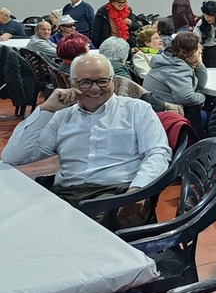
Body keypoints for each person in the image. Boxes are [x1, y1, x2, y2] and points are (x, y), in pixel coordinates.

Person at [2, 54, 171, 222]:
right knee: (18, 223)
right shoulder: (61, 116)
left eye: (102, 81)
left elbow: (157, 153)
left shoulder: (137, 110)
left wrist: (138, 189)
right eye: (86, 82)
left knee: (78, 231)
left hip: (117, 194)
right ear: (72, 83)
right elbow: (14, 157)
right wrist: (46, 109)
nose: (95, 88)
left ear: (112, 81)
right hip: (66, 194)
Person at [143, 31, 208, 133]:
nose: (200, 51)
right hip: (168, 115)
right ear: (188, 52)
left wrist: (199, 63)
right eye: (197, 49)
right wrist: (203, 97)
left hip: (155, 111)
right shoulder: (178, 69)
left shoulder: (168, 60)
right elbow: (186, 97)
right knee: (209, 114)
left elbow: (200, 84)